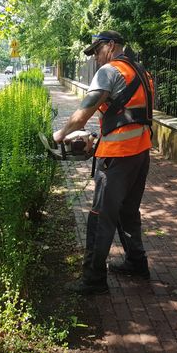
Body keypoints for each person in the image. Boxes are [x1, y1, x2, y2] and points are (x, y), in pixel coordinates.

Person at [53, 30, 154, 295]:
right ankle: (136, 262)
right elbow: (131, 115)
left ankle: (93, 279)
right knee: (128, 212)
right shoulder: (141, 72)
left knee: (100, 216)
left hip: (118, 156)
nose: (96, 58)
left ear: (111, 46)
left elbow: (81, 114)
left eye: (97, 51)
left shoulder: (110, 72)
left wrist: (60, 135)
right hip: (141, 153)